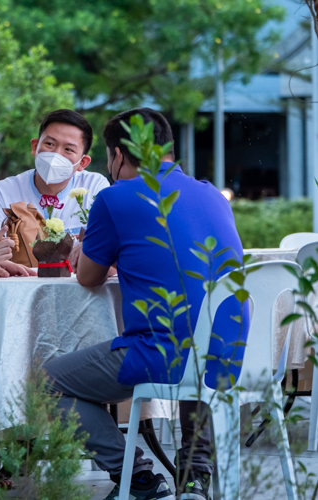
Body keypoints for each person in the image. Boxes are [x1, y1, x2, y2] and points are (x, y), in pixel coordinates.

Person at [45, 108, 248, 500]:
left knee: (49, 381)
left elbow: (88, 278)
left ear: (119, 154)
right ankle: (194, 478)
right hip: (233, 353)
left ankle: (135, 476)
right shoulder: (211, 193)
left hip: (162, 355)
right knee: (197, 343)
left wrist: (85, 249)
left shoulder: (115, 197)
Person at [0, 109, 110, 275]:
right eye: (49, 144)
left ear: (83, 162)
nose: (56, 155)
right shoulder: (2, 191)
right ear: (35, 147)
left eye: (68, 150)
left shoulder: (94, 186)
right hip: (17, 289)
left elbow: (107, 252)